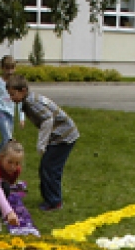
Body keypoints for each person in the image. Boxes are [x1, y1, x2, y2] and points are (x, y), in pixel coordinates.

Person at [5, 75, 79, 212]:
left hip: (64, 136)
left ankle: (55, 202)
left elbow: (47, 120)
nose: (11, 97)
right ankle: (49, 198)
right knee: (46, 167)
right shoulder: (28, 100)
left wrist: (41, 144)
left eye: (13, 94)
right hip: (57, 136)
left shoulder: (32, 102)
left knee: (50, 168)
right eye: (10, 94)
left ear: (23, 90)